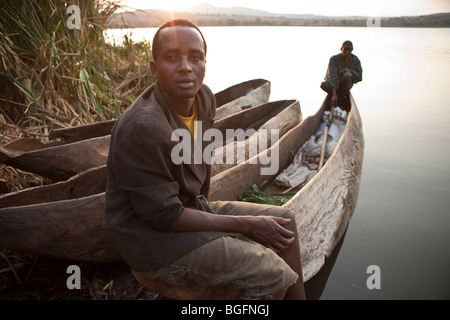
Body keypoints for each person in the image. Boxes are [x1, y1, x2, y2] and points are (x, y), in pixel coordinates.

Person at [105, 19, 306, 300]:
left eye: (195, 57)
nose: (186, 66)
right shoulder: (144, 127)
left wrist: (215, 219)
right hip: (151, 240)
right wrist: (244, 226)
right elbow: (164, 216)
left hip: (187, 209)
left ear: (205, 63)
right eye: (172, 58)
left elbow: (199, 166)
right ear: (154, 69)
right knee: (272, 270)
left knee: (284, 222)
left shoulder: (204, 99)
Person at [321, 40, 362, 111]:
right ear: (341, 49)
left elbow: (360, 77)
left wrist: (349, 71)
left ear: (352, 50)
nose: (347, 52)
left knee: (347, 75)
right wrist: (334, 94)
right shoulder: (334, 59)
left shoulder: (355, 60)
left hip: (345, 85)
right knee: (323, 84)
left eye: (349, 50)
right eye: (345, 49)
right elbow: (332, 76)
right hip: (334, 85)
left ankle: (343, 99)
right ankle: (335, 96)